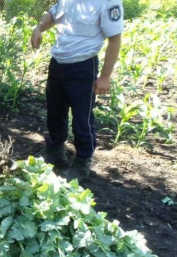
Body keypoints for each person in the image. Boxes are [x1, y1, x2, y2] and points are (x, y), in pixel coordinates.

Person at [31, 0, 124, 181]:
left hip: (83, 66)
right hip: (58, 62)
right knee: (55, 111)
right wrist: (39, 28)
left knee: (82, 119)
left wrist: (105, 76)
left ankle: (82, 161)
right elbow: (53, 15)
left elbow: (115, 39)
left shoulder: (108, 2)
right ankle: (55, 151)